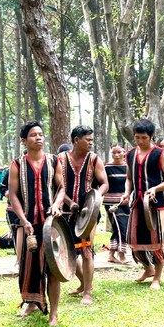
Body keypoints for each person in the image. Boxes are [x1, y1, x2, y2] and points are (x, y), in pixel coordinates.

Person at [8, 121, 65, 325]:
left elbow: (61, 189)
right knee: (28, 266)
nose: (39, 138)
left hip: (52, 223)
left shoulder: (53, 161)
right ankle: (31, 303)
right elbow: (13, 195)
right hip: (28, 223)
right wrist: (23, 220)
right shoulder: (16, 164)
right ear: (24, 140)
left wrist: (58, 204)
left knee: (53, 267)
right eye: (33, 135)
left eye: (41, 134)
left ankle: (54, 314)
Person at [122, 119, 164, 289]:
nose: (140, 141)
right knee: (133, 239)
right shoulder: (130, 154)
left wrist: (155, 188)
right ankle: (148, 269)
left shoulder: (161, 154)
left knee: (156, 239)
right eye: (137, 137)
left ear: (152, 136)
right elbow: (129, 178)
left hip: (157, 203)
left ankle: (157, 278)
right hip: (137, 202)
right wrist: (126, 193)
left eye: (144, 137)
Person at [58, 125, 109, 305]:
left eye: (91, 140)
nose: (90, 143)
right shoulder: (60, 160)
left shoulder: (95, 160)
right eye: (87, 140)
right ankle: (82, 283)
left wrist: (95, 199)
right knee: (68, 251)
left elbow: (104, 183)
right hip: (65, 211)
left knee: (87, 250)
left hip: (88, 213)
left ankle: (87, 292)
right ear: (76, 140)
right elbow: (56, 187)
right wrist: (69, 203)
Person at [103, 143, 130, 263]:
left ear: (124, 152)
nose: (117, 155)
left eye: (119, 152)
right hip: (111, 203)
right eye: (114, 152)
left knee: (118, 228)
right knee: (121, 227)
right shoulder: (107, 167)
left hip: (126, 201)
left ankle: (111, 255)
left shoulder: (128, 167)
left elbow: (131, 183)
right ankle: (122, 254)